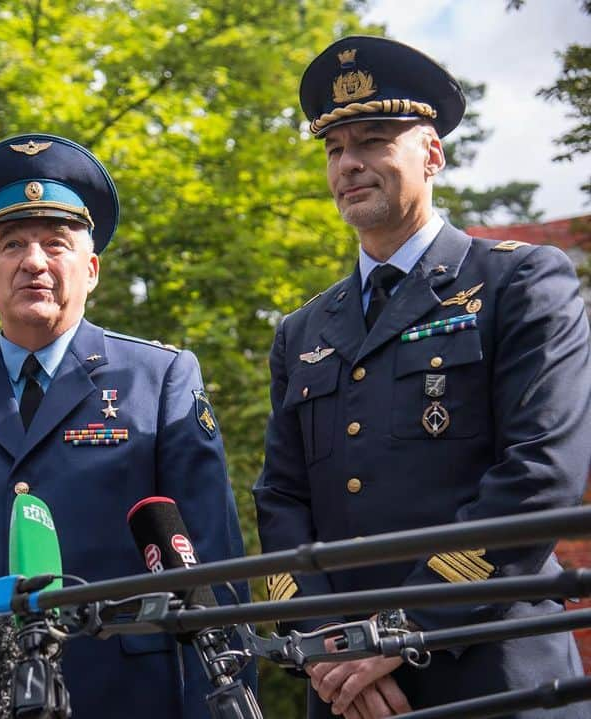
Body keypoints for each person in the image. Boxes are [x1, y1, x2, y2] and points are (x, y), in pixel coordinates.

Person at [253, 35, 591, 719]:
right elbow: (281, 500)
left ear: (432, 154)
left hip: (493, 671)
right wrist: (327, 643)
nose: (349, 164)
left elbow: (540, 477)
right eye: (334, 149)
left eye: (373, 140)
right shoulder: (302, 331)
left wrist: (400, 629)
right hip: (349, 691)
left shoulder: (519, 281)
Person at [0, 134, 251, 719]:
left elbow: (212, 565)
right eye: (11, 245)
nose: (33, 261)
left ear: (92, 268)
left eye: (55, 244)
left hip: (122, 693)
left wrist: (224, 702)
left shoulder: (158, 380)